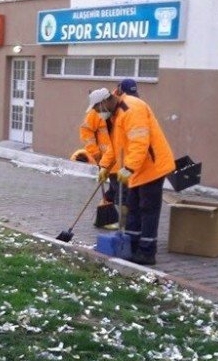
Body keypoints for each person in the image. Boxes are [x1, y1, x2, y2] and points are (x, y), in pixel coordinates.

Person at [97, 87, 175, 265]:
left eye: (97, 109)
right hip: (139, 168)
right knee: (133, 207)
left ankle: (147, 252)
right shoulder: (117, 114)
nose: (98, 113)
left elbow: (140, 142)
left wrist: (129, 168)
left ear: (106, 101)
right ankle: (132, 245)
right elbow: (116, 147)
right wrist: (104, 166)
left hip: (152, 167)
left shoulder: (131, 109)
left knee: (148, 209)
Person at [72, 88, 121, 228]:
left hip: (118, 159)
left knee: (115, 189)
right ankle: (110, 219)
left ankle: (106, 217)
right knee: (118, 190)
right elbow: (86, 131)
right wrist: (95, 153)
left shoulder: (118, 112)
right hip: (108, 160)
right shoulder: (96, 112)